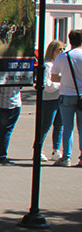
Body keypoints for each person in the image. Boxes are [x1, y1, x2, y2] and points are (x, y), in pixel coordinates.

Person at [51, 30, 82, 166]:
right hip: (81, 95)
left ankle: (66, 157)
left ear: (70, 41)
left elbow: (54, 77)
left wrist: (67, 78)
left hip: (66, 94)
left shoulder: (63, 57)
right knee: (81, 128)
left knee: (67, 127)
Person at [37, 40, 65, 161]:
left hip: (60, 97)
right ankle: (38, 149)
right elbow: (47, 85)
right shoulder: (47, 65)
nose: (62, 52)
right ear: (53, 51)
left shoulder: (60, 64)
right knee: (45, 125)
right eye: (60, 49)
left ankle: (56, 150)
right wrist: (61, 84)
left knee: (59, 124)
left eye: (63, 49)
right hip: (49, 99)